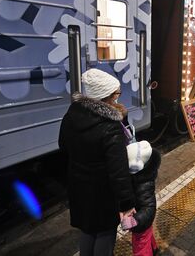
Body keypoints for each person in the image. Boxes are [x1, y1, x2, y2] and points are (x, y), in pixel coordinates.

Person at [59, 68, 135, 256]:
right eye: (115, 94)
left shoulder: (72, 114)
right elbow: (118, 170)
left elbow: (63, 145)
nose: (117, 97)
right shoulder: (109, 126)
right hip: (102, 192)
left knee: (87, 230)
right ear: (106, 96)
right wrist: (126, 203)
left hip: (79, 186)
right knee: (105, 233)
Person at [125, 141, 161, 256]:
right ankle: (153, 249)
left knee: (140, 245)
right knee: (146, 236)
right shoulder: (141, 179)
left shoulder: (144, 186)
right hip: (142, 220)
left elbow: (149, 208)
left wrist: (135, 220)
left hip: (140, 221)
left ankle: (151, 250)